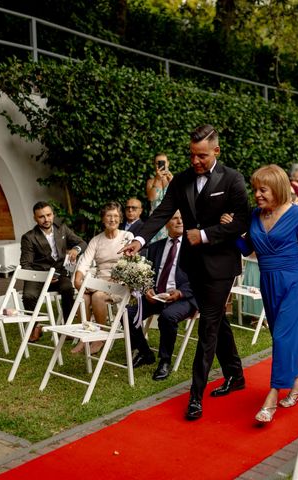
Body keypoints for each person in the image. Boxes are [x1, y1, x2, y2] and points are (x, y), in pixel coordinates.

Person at [119, 124, 250, 421]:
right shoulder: (181, 180)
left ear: (216, 151)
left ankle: (195, 397)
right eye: (191, 155)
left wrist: (204, 235)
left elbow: (242, 220)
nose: (195, 161)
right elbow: (162, 212)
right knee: (216, 319)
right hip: (192, 266)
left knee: (208, 328)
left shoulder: (232, 179)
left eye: (201, 156)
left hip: (220, 266)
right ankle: (235, 374)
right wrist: (138, 241)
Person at [226, 165, 298, 423]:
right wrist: (232, 232)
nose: (257, 194)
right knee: (281, 337)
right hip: (268, 281)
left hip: (294, 282)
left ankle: (272, 397)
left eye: (263, 189)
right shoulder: (255, 215)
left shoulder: (297, 215)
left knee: (282, 337)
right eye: (255, 189)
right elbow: (247, 249)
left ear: (278, 189)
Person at [125, 210, 198, 381]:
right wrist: (148, 288)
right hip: (157, 295)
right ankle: (145, 353)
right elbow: (149, 273)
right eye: (174, 218)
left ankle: (164, 361)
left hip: (185, 297)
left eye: (182, 218)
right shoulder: (156, 246)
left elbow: (201, 278)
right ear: (166, 223)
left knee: (167, 316)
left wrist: (180, 293)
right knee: (127, 313)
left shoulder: (194, 247)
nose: (179, 221)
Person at [20, 201, 87, 342]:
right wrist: (43, 278)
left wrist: (76, 249)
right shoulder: (29, 237)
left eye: (48, 215)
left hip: (59, 273)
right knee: (28, 295)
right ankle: (35, 326)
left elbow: (82, 243)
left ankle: (68, 326)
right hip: (38, 275)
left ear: (53, 214)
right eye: (41, 217)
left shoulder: (62, 229)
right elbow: (26, 264)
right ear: (35, 218)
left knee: (68, 288)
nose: (46, 219)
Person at [73, 202, 133, 354]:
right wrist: (77, 279)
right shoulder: (96, 240)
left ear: (120, 219)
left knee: (98, 296)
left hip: (120, 283)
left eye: (116, 216)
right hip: (100, 282)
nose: (112, 219)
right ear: (102, 219)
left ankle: (100, 338)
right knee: (83, 297)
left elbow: (129, 264)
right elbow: (84, 263)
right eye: (108, 216)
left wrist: (109, 282)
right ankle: (85, 336)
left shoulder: (127, 236)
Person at [146, 153, 173, 242]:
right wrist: (157, 179)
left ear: (168, 163)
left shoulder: (173, 179)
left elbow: (179, 197)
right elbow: (151, 198)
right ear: (155, 165)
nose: (161, 165)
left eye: (163, 162)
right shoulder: (151, 181)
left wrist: (172, 181)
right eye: (158, 163)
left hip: (170, 218)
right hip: (155, 218)